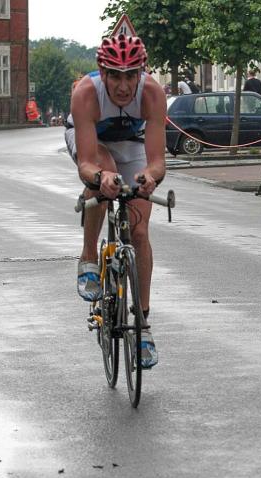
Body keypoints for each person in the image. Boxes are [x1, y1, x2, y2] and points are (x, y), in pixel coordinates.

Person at [65, 34, 166, 368]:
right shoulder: (86, 93)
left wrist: (149, 177)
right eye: (115, 76)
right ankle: (88, 258)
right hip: (93, 142)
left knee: (139, 232)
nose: (123, 86)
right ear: (103, 73)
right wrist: (101, 178)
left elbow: (157, 161)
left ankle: (143, 324)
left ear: (141, 73)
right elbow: (86, 164)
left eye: (131, 75)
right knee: (104, 174)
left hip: (133, 142)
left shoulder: (152, 93)